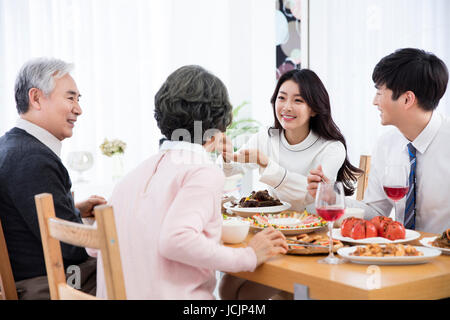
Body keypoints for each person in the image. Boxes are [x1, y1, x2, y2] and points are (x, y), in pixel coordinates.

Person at [92, 65, 288, 299]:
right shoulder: (203, 171)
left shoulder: (132, 176)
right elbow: (176, 240)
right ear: (219, 125)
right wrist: (249, 255)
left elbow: (92, 246)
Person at [307, 48, 450, 234]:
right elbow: (374, 212)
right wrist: (333, 197)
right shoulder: (387, 144)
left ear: (407, 99)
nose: (375, 102)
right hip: (400, 252)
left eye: (380, 93)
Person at [0, 57, 106, 299]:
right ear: (36, 98)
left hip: (31, 278)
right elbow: (72, 248)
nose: (78, 109)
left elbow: (22, 218)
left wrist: (75, 209)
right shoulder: (33, 159)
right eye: (70, 98)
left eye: (78, 100)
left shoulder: (10, 147)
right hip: (47, 284)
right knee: (137, 269)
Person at [217, 69, 361, 211]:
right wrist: (227, 156)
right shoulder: (267, 136)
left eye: (298, 100)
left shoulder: (332, 148)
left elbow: (310, 196)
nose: (286, 107)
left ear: (314, 109)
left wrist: (266, 164)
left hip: (316, 228)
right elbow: (228, 171)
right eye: (282, 98)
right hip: (272, 225)